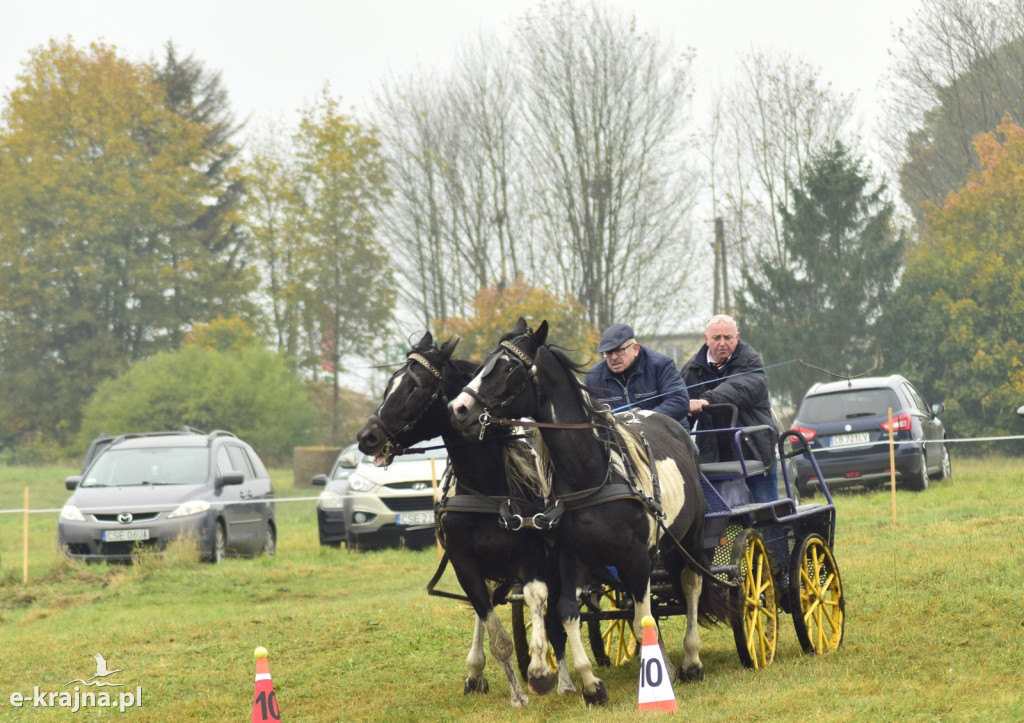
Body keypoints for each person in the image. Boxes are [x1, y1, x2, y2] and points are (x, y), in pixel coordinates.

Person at [679, 314, 779, 503]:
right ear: (706, 339)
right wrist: (685, 408)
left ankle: (775, 533)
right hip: (714, 456)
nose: (722, 343)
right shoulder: (692, 369)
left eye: (728, 338)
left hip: (754, 451)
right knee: (721, 516)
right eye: (717, 338)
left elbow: (739, 388)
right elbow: (679, 405)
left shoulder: (751, 361)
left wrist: (706, 400)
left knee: (768, 510)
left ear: (737, 337)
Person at [584, 323, 690, 428]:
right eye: (608, 353)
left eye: (619, 350)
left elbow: (679, 401)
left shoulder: (661, 365)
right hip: (618, 437)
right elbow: (587, 414)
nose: (614, 357)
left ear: (635, 349)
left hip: (666, 433)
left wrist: (642, 422)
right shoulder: (593, 377)